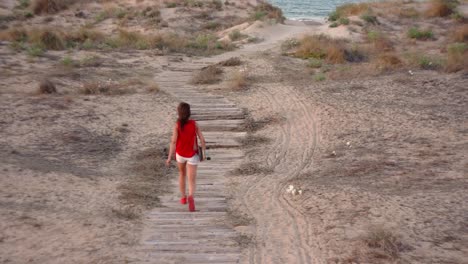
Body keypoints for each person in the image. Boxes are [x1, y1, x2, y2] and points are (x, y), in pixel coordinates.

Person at [166, 102, 206, 212]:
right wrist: (204, 154)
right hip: (192, 155)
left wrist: (169, 157)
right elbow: (202, 140)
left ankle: (183, 198)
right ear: (189, 113)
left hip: (180, 154)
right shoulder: (194, 124)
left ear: (179, 113)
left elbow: (173, 142)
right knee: (192, 179)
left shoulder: (177, 125)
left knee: (182, 175)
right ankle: (191, 196)